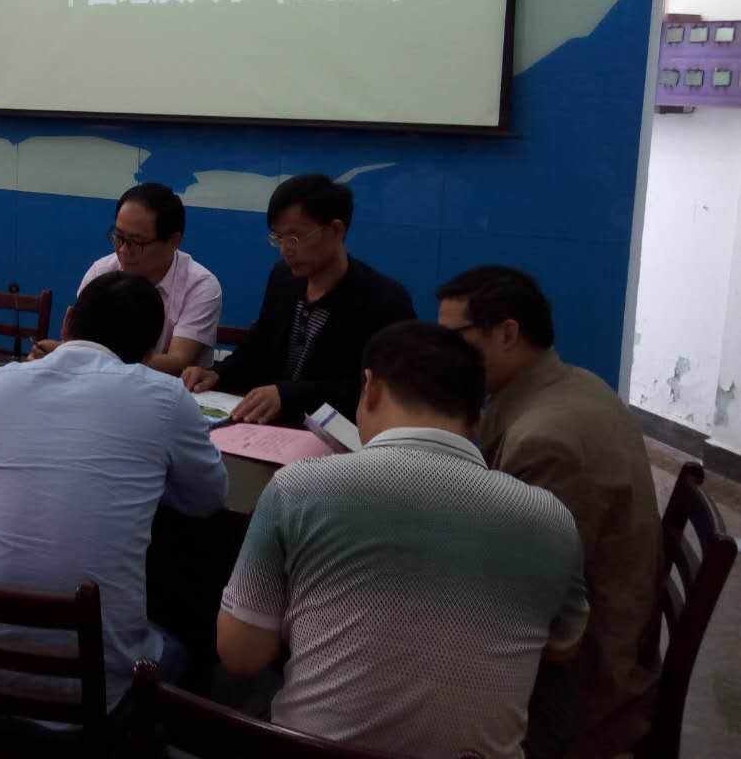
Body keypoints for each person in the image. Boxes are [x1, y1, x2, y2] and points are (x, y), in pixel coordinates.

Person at [218, 322, 589, 758]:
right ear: (479, 415)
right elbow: (563, 646)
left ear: (370, 389)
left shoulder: (297, 487)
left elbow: (240, 654)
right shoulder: (552, 519)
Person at [0, 271, 229, 714]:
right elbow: (208, 498)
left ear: (67, 322)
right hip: (94, 701)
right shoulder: (166, 397)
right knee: (187, 645)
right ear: (151, 351)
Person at [437, 266, 662, 758]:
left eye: (454, 340)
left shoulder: (546, 441)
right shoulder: (567, 384)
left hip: (575, 684)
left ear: (507, 333)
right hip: (586, 636)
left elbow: (526, 603)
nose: (443, 356)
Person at [184, 173, 413, 424]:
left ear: (335, 230)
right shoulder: (284, 279)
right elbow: (258, 349)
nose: (285, 250)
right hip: (267, 430)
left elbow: (376, 392)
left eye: (294, 238)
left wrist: (289, 395)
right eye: (278, 238)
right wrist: (218, 374)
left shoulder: (383, 300)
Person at [29, 183, 221, 375]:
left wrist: (73, 352)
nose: (122, 250)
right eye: (118, 237)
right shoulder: (102, 272)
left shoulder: (199, 286)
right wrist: (58, 352)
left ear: (173, 241)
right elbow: (79, 343)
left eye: (136, 242)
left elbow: (178, 363)